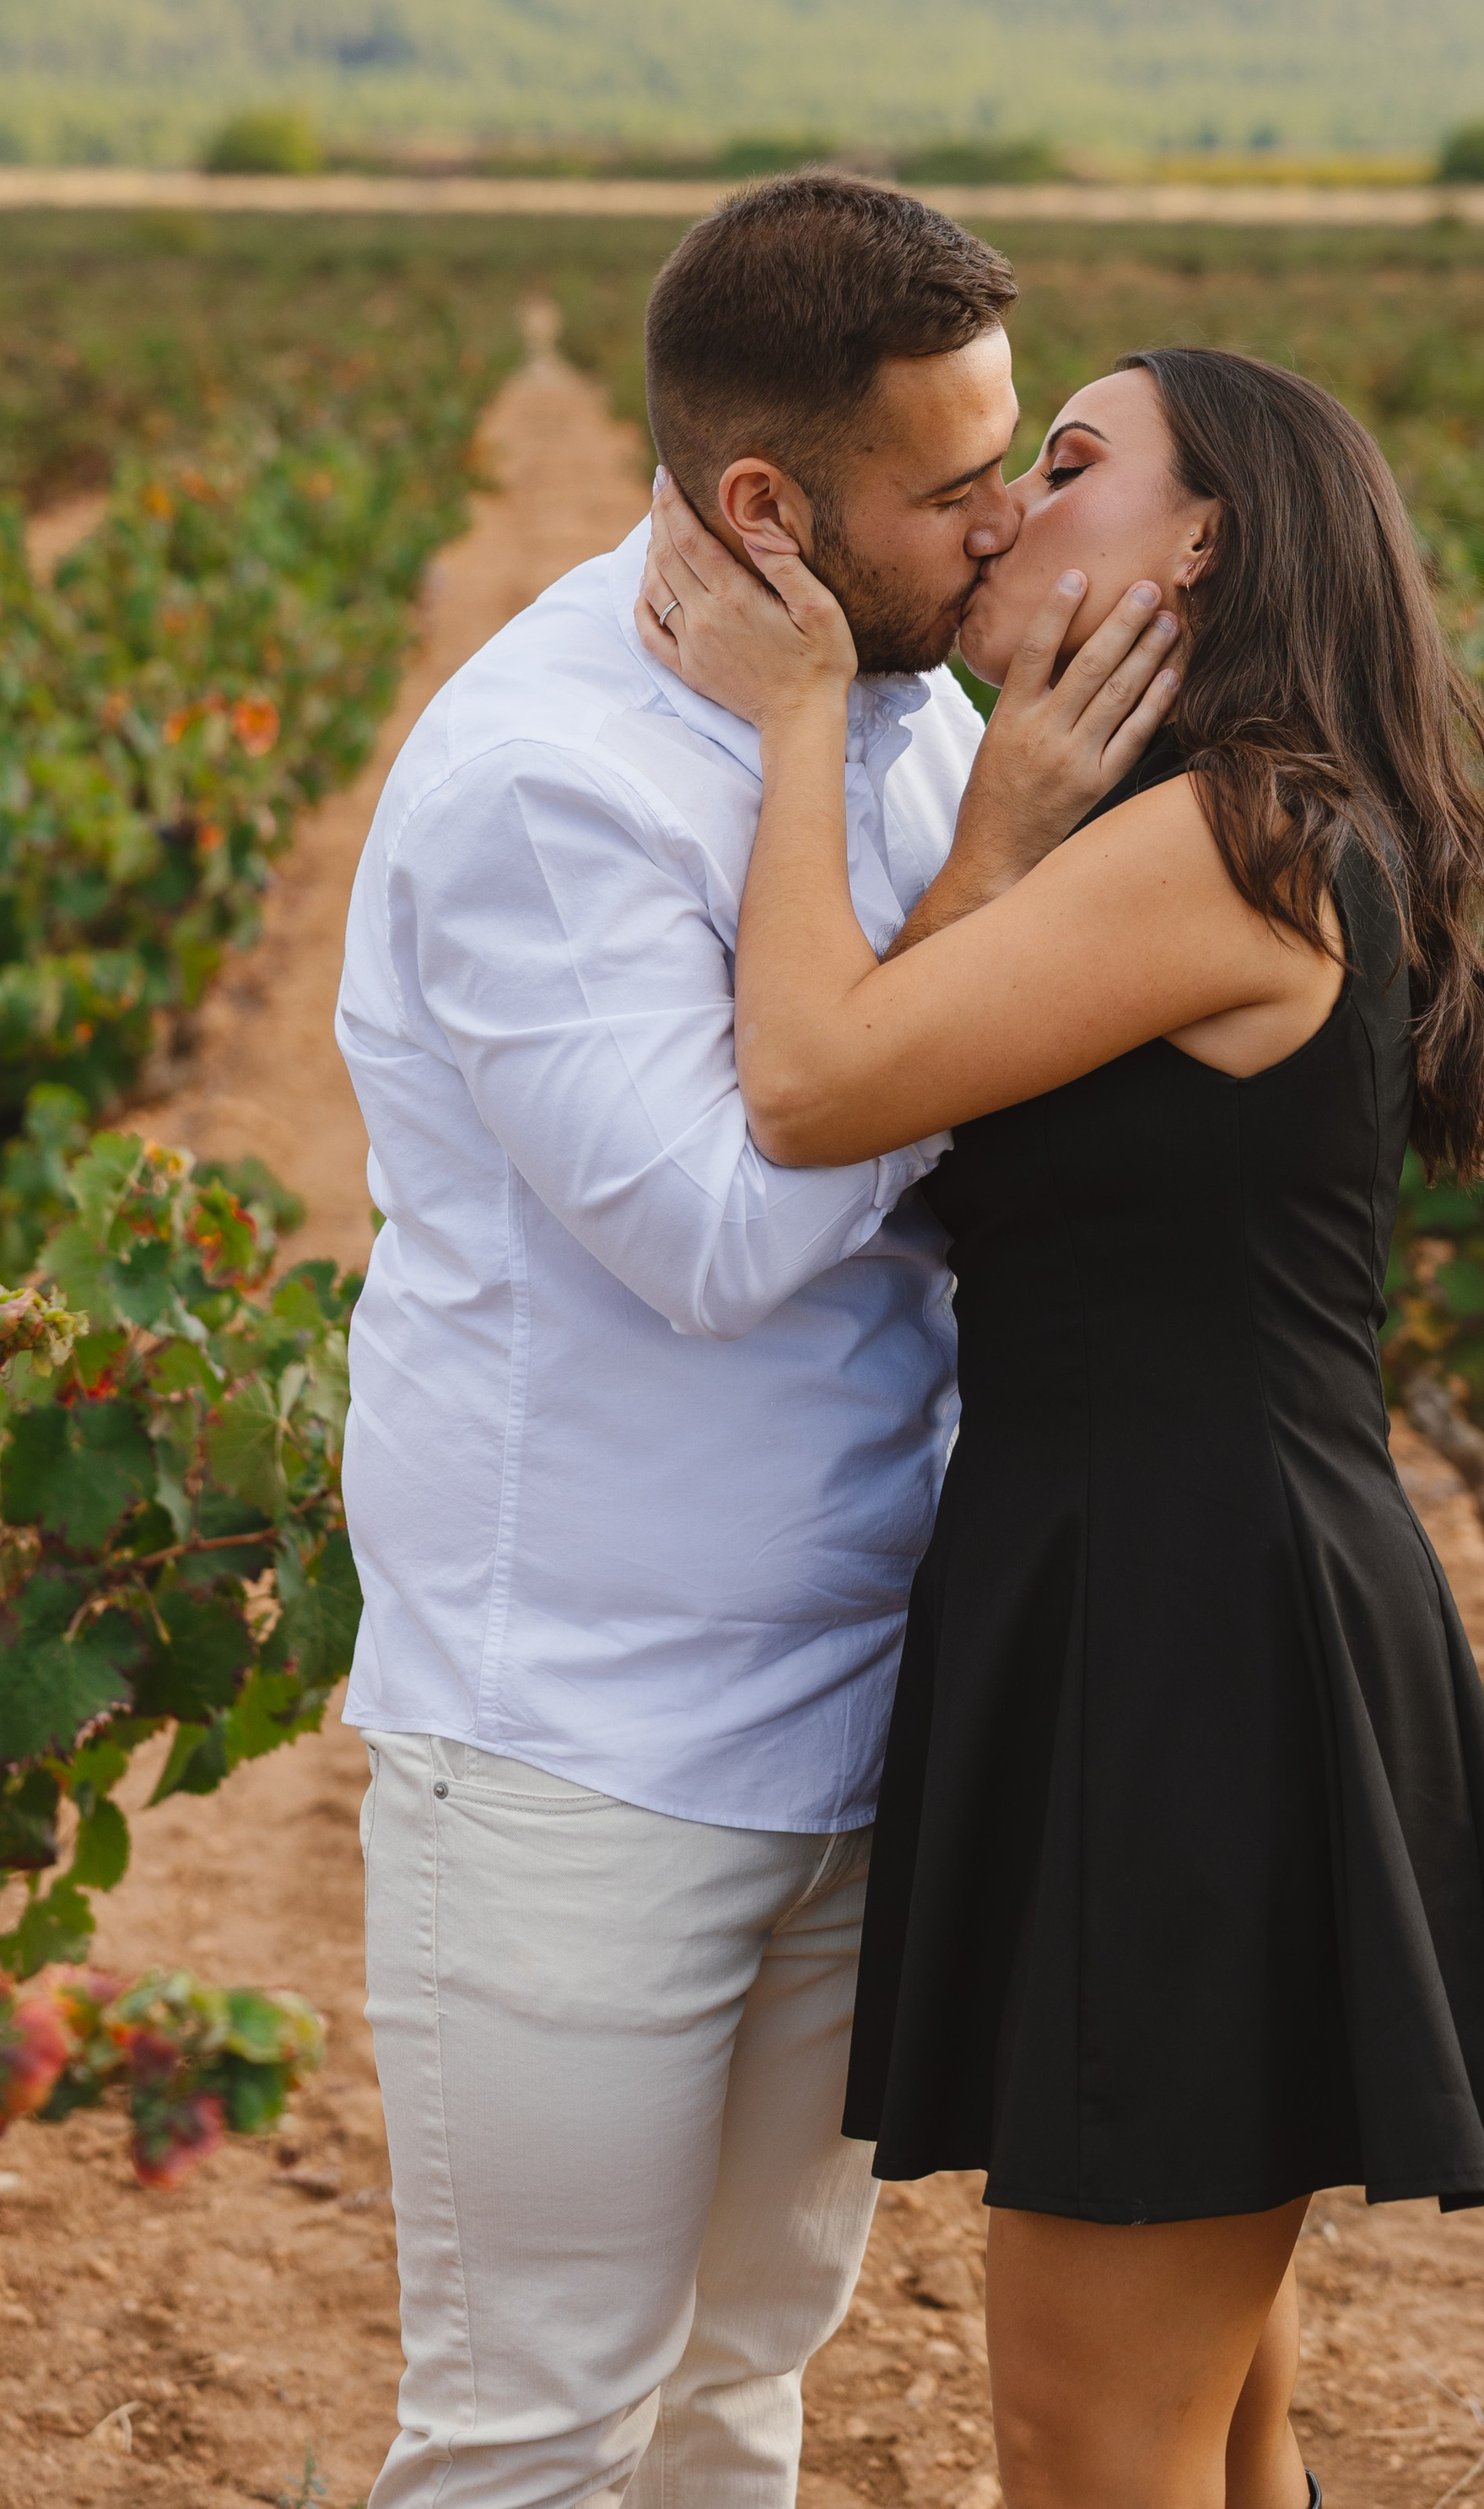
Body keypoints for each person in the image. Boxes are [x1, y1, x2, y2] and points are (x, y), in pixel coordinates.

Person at [638, 343, 1484, 2509]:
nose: (1004, 508)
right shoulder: (1211, 834)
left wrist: (796, 723)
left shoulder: (1221, 845)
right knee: (1211, 2429)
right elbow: (905, 1052)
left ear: (1206, 543)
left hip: (1185, 1640)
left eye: (1066, 466)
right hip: (1174, 1602)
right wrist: (987, 832)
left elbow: (805, 1084)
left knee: (1095, 2451)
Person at [332, 171, 1177, 2509]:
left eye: (1021, 450)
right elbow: (717, 1228)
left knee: (739, 2385)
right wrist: (997, 872)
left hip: (854, 1697)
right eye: (954, 481)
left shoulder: (888, 701)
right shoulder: (548, 783)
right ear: (766, 507)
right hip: (580, 1741)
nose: (1004, 518)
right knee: (533, 2418)